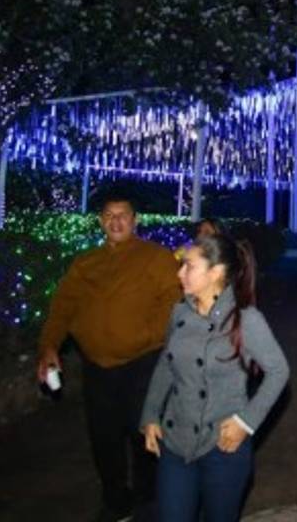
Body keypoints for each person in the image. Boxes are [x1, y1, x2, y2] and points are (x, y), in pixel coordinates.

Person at [36, 195, 181, 522]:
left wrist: (142, 337)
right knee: (103, 438)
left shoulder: (156, 258)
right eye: (109, 215)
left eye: (123, 215)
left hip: (142, 362)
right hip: (98, 367)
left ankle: (148, 503)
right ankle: (116, 503)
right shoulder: (86, 263)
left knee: (144, 434)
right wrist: (49, 346)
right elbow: (63, 306)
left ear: (135, 221)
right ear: (101, 221)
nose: (116, 221)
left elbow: (173, 304)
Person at [141, 233, 289, 522]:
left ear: (216, 272)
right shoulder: (179, 312)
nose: (180, 273)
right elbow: (166, 364)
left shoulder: (246, 319)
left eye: (189, 266)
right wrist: (150, 414)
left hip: (222, 445)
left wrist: (246, 423)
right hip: (175, 439)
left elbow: (279, 371)